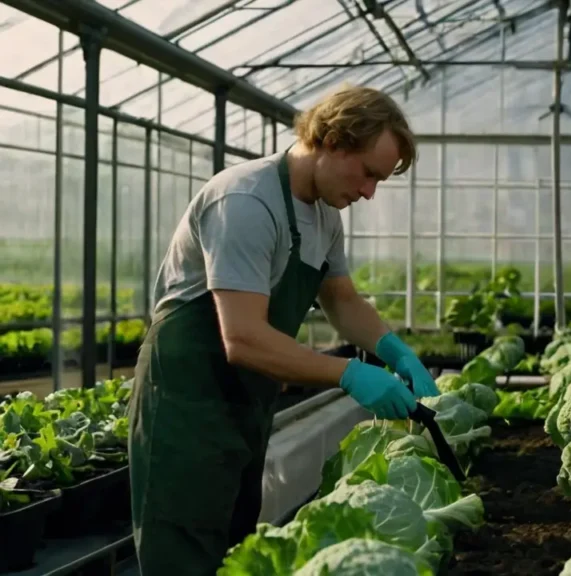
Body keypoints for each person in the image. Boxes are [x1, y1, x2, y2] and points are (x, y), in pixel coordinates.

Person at [126, 85, 439, 575]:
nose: (369, 192)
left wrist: (395, 350)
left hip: (243, 402)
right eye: (369, 174)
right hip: (186, 402)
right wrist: (349, 375)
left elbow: (342, 299)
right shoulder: (247, 201)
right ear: (333, 141)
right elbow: (243, 337)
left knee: (234, 546)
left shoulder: (323, 216)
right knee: (184, 551)